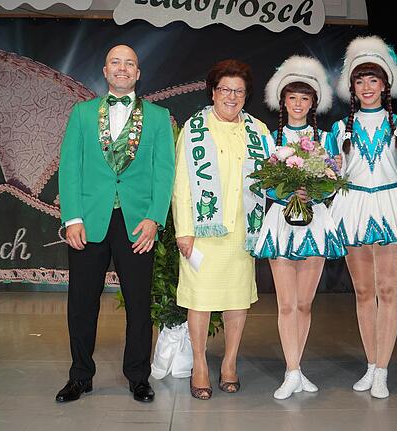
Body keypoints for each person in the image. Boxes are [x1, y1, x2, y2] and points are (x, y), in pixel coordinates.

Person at [56, 44, 175, 403]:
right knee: (81, 302)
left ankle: (139, 376)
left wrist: (155, 218)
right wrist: (72, 218)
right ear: (105, 71)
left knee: (139, 304)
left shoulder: (157, 117)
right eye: (115, 63)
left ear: (138, 73)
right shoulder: (81, 114)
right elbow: (70, 168)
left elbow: (164, 172)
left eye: (130, 64)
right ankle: (80, 376)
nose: (122, 69)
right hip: (89, 221)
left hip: (137, 223)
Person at [326, 35, 397, 399]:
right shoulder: (339, 130)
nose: (367, 87)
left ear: (386, 84)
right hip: (352, 210)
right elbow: (333, 177)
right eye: (360, 81)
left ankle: (383, 369)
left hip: (390, 208)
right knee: (364, 292)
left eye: (373, 80)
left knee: (387, 291)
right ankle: (370, 364)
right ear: (352, 87)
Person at [172, 59, 273, 400]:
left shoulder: (259, 131)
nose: (232, 96)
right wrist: (184, 230)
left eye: (239, 91)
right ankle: (199, 364)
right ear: (213, 92)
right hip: (203, 232)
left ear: (247, 95)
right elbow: (182, 183)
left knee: (236, 300)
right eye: (225, 89)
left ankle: (229, 362)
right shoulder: (194, 128)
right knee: (199, 301)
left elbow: (272, 180)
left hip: (244, 231)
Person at [252, 55, 346, 399]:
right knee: (286, 304)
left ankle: (298, 367)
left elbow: (335, 181)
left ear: (313, 102)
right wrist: (287, 189)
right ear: (283, 101)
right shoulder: (268, 138)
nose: (298, 104)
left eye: (305, 98)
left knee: (305, 304)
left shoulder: (326, 140)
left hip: (316, 221)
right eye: (292, 97)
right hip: (281, 222)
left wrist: (316, 189)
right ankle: (291, 372)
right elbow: (263, 182)